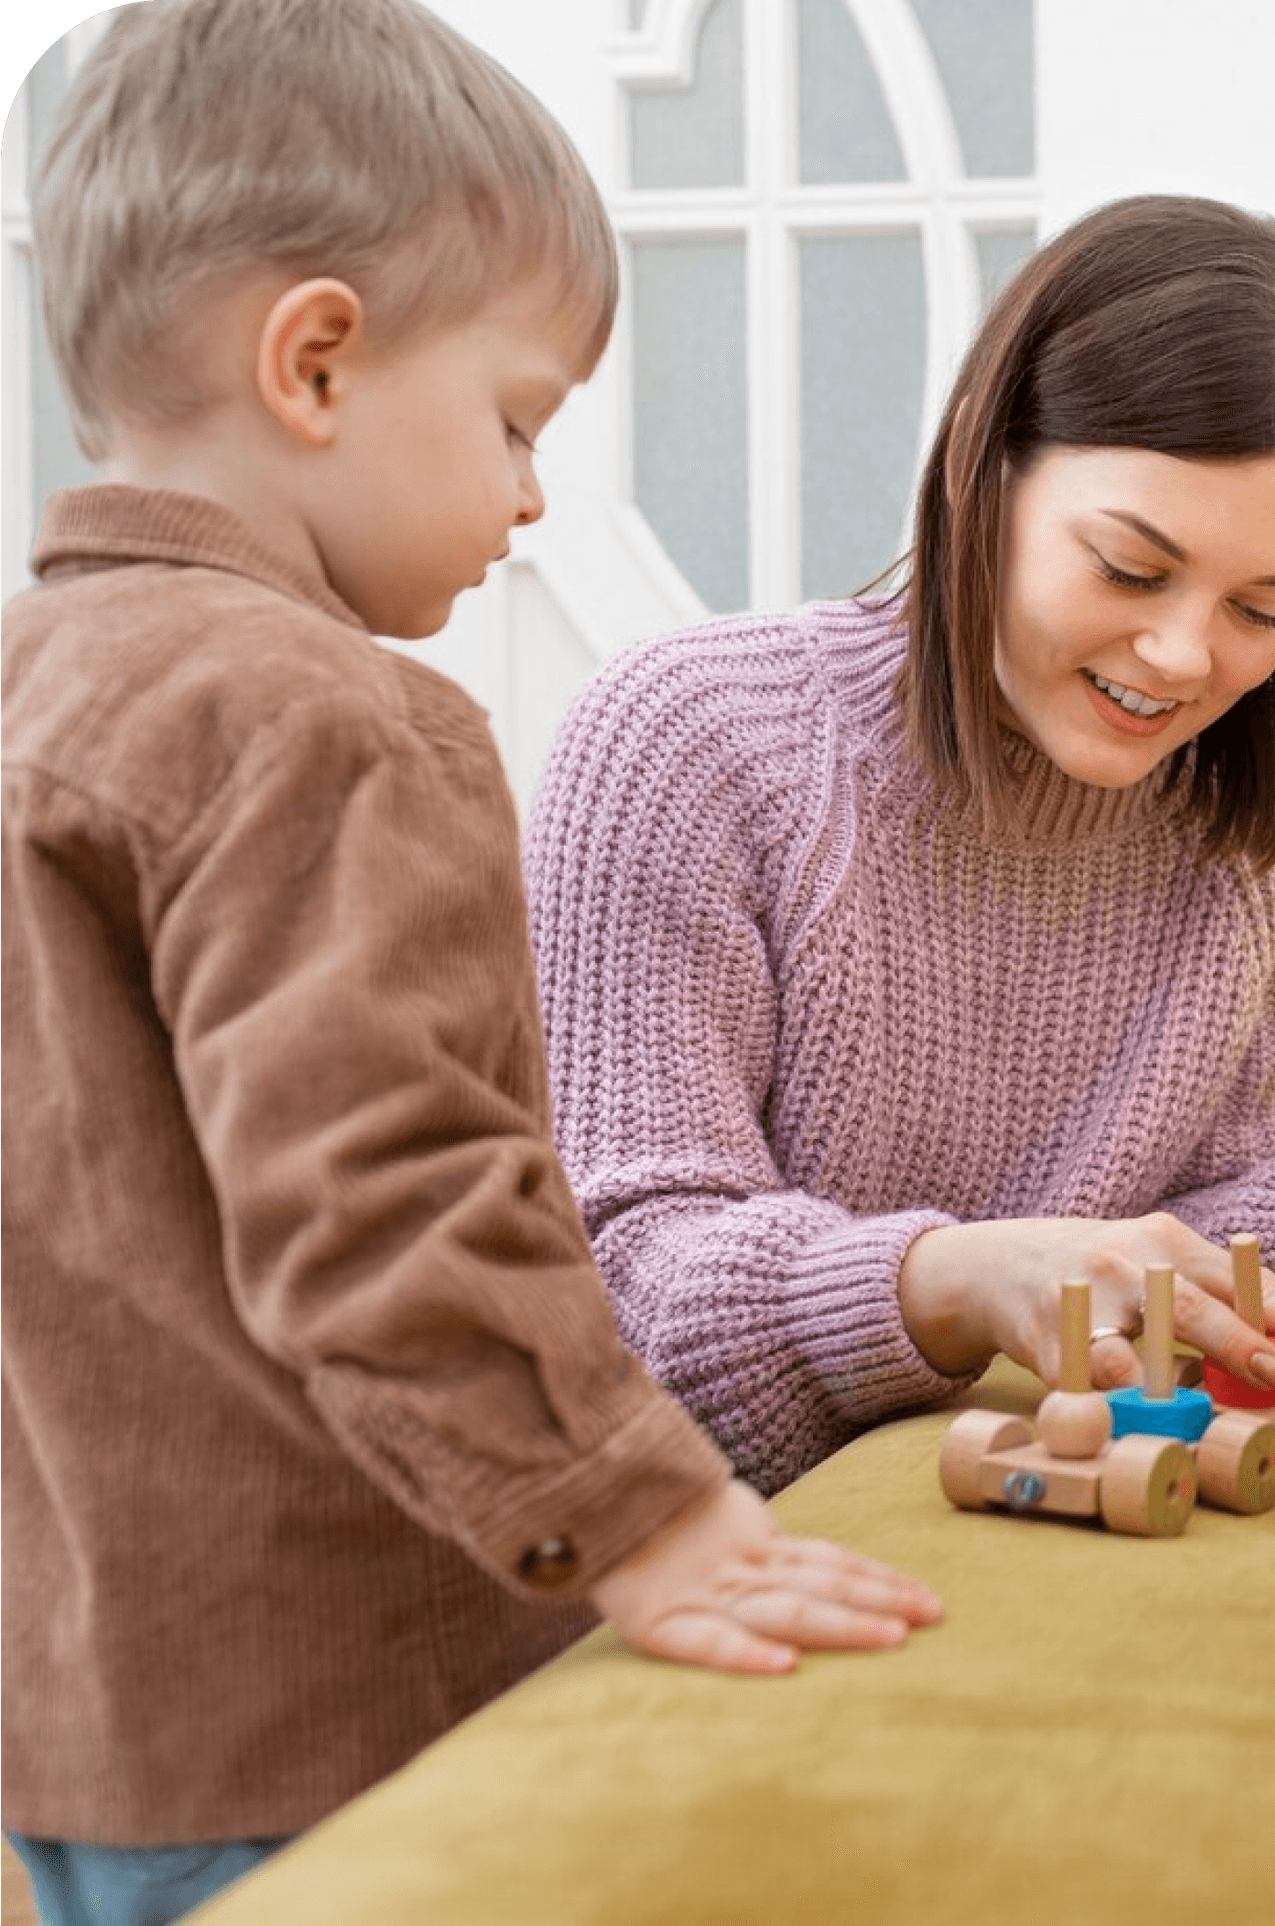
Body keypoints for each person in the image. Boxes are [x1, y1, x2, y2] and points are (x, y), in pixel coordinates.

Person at [0, 3, 938, 1921]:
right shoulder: (332, 720)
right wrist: (645, 1511)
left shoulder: (36, 690)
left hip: (80, 1701)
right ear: (316, 362)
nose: (529, 498)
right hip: (339, 1696)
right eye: (516, 420)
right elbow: (393, 1192)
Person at [523, 194, 1275, 1500]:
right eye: (1131, 570)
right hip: (702, 1545)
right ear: (987, 473)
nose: (1184, 657)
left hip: (1064, 1496)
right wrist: (952, 1281)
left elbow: (1196, 1203)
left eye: (1264, 612)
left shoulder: (1249, 829)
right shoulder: (689, 741)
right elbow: (619, 1290)